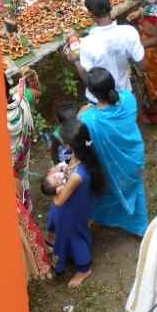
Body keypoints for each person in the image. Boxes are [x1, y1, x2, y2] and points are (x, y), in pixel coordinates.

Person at [79, 68, 149, 237]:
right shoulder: (128, 98)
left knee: (109, 193)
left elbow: (84, 140)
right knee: (135, 187)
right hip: (134, 158)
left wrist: (82, 113)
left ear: (93, 93)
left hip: (113, 165)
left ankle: (109, 219)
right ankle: (140, 225)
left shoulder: (89, 119)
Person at [5, 69, 53, 281]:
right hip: (21, 170)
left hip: (7, 180)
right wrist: (34, 83)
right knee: (24, 198)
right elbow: (35, 92)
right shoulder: (21, 104)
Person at [47, 119, 104, 288]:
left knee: (74, 238)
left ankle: (84, 269)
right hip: (77, 206)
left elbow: (59, 201)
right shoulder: (80, 157)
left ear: (71, 145)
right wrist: (63, 169)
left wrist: (52, 190)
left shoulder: (77, 176)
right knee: (72, 234)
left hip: (71, 211)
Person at [70, 0, 145, 103]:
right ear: (110, 7)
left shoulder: (87, 43)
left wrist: (75, 60)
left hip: (100, 99)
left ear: (90, 13)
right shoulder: (129, 32)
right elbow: (142, 64)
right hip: (125, 91)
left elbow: (87, 78)